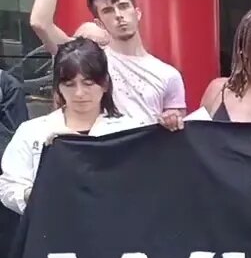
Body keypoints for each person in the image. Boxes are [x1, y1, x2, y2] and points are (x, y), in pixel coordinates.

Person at [28, 0, 185, 131]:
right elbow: (40, 22)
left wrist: (173, 120)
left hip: (145, 159)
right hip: (99, 155)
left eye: (123, 6)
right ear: (99, 23)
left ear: (137, 13)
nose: (119, 15)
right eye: (108, 11)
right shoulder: (90, 60)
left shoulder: (168, 75)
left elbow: (179, 128)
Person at [0, 38, 144, 214]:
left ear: (105, 83)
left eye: (88, 83)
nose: (79, 93)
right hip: (54, 228)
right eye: (69, 84)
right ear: (58, 87)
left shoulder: (130, 129)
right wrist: (37, 195)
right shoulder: (32, 131)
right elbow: (9, 185)